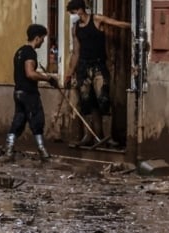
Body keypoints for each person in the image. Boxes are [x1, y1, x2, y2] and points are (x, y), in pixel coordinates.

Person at [64, 0, 129, 148]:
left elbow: (115, 23)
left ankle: (107, 137)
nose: (73, 15)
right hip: (83, 68)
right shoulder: (75, 28)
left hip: (99, 66)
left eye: (74, 12)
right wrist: (69, 73)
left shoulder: (96, 19)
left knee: (103, 100)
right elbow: (76, 53)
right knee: (87, 103)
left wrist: (133, 26)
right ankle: (91, 136)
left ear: (80, 9)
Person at [3, 24, 60, 162]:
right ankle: (43, 152)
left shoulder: (19, 51)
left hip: (18, 92)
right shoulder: (30, 53)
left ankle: (9, 150)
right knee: (37, 120)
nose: (43, 42)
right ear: (37, 38)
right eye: (43, 38)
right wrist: (48, 78)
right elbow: (30, 73)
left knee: (19, 121)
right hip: (29, 93)